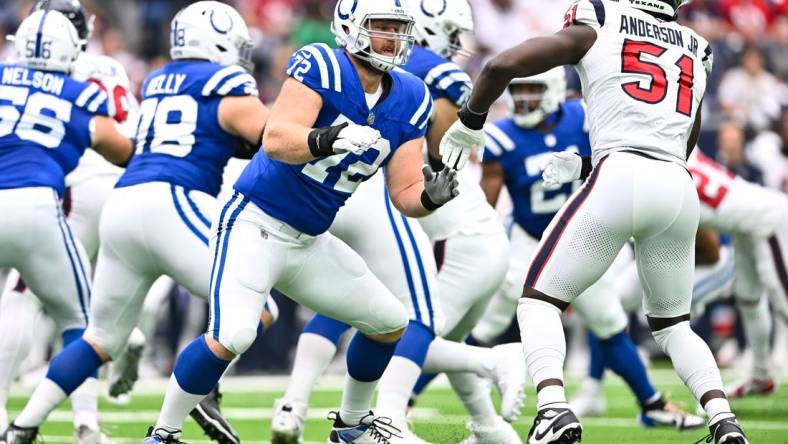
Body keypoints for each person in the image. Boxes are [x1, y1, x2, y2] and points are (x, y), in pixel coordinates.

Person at [145, 1, 458, 443]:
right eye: (382, 26)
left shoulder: (410, 96)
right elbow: (275, 139)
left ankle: (350, 427)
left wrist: (431, 197)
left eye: (398, 28)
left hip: (309, 239)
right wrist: (330, 137)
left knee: (389, 321)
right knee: (233, 333)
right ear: (350, 28)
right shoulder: (322, 65)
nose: (393, 37)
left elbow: (404, 193)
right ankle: (163, 432)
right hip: (255, 221)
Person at [438, 0, 748, 443]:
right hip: (679, 188)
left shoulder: (603, 17)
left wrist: (470, 121)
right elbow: (677, 141)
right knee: (674, 325)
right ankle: (724, 421)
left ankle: (552, 409)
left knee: (539, 300)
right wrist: (588, 165)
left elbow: (501, 64)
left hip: (620, 176)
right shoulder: (698, 46)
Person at [0, 3, 276, 443]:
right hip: (159, 198)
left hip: (120, 206)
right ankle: (182, 407)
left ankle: (22, 426)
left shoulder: (158, 79)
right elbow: (272, 136)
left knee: (95, 336)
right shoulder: (220, 80)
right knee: (258, 305)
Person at [270, 2, 523, 442]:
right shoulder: (427, 74)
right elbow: (447, 153)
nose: (457, 45)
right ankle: (398, 414)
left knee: (363, 313)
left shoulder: (348, 66)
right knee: (411, 322)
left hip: (354, 197)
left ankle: (302, 403)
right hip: (441, 222)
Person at [0, 8, 133, 444]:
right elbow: (120, 147)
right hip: (46, 203)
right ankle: (86, 424)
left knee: (18, 298)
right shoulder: (82, 88)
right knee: (84, 322)